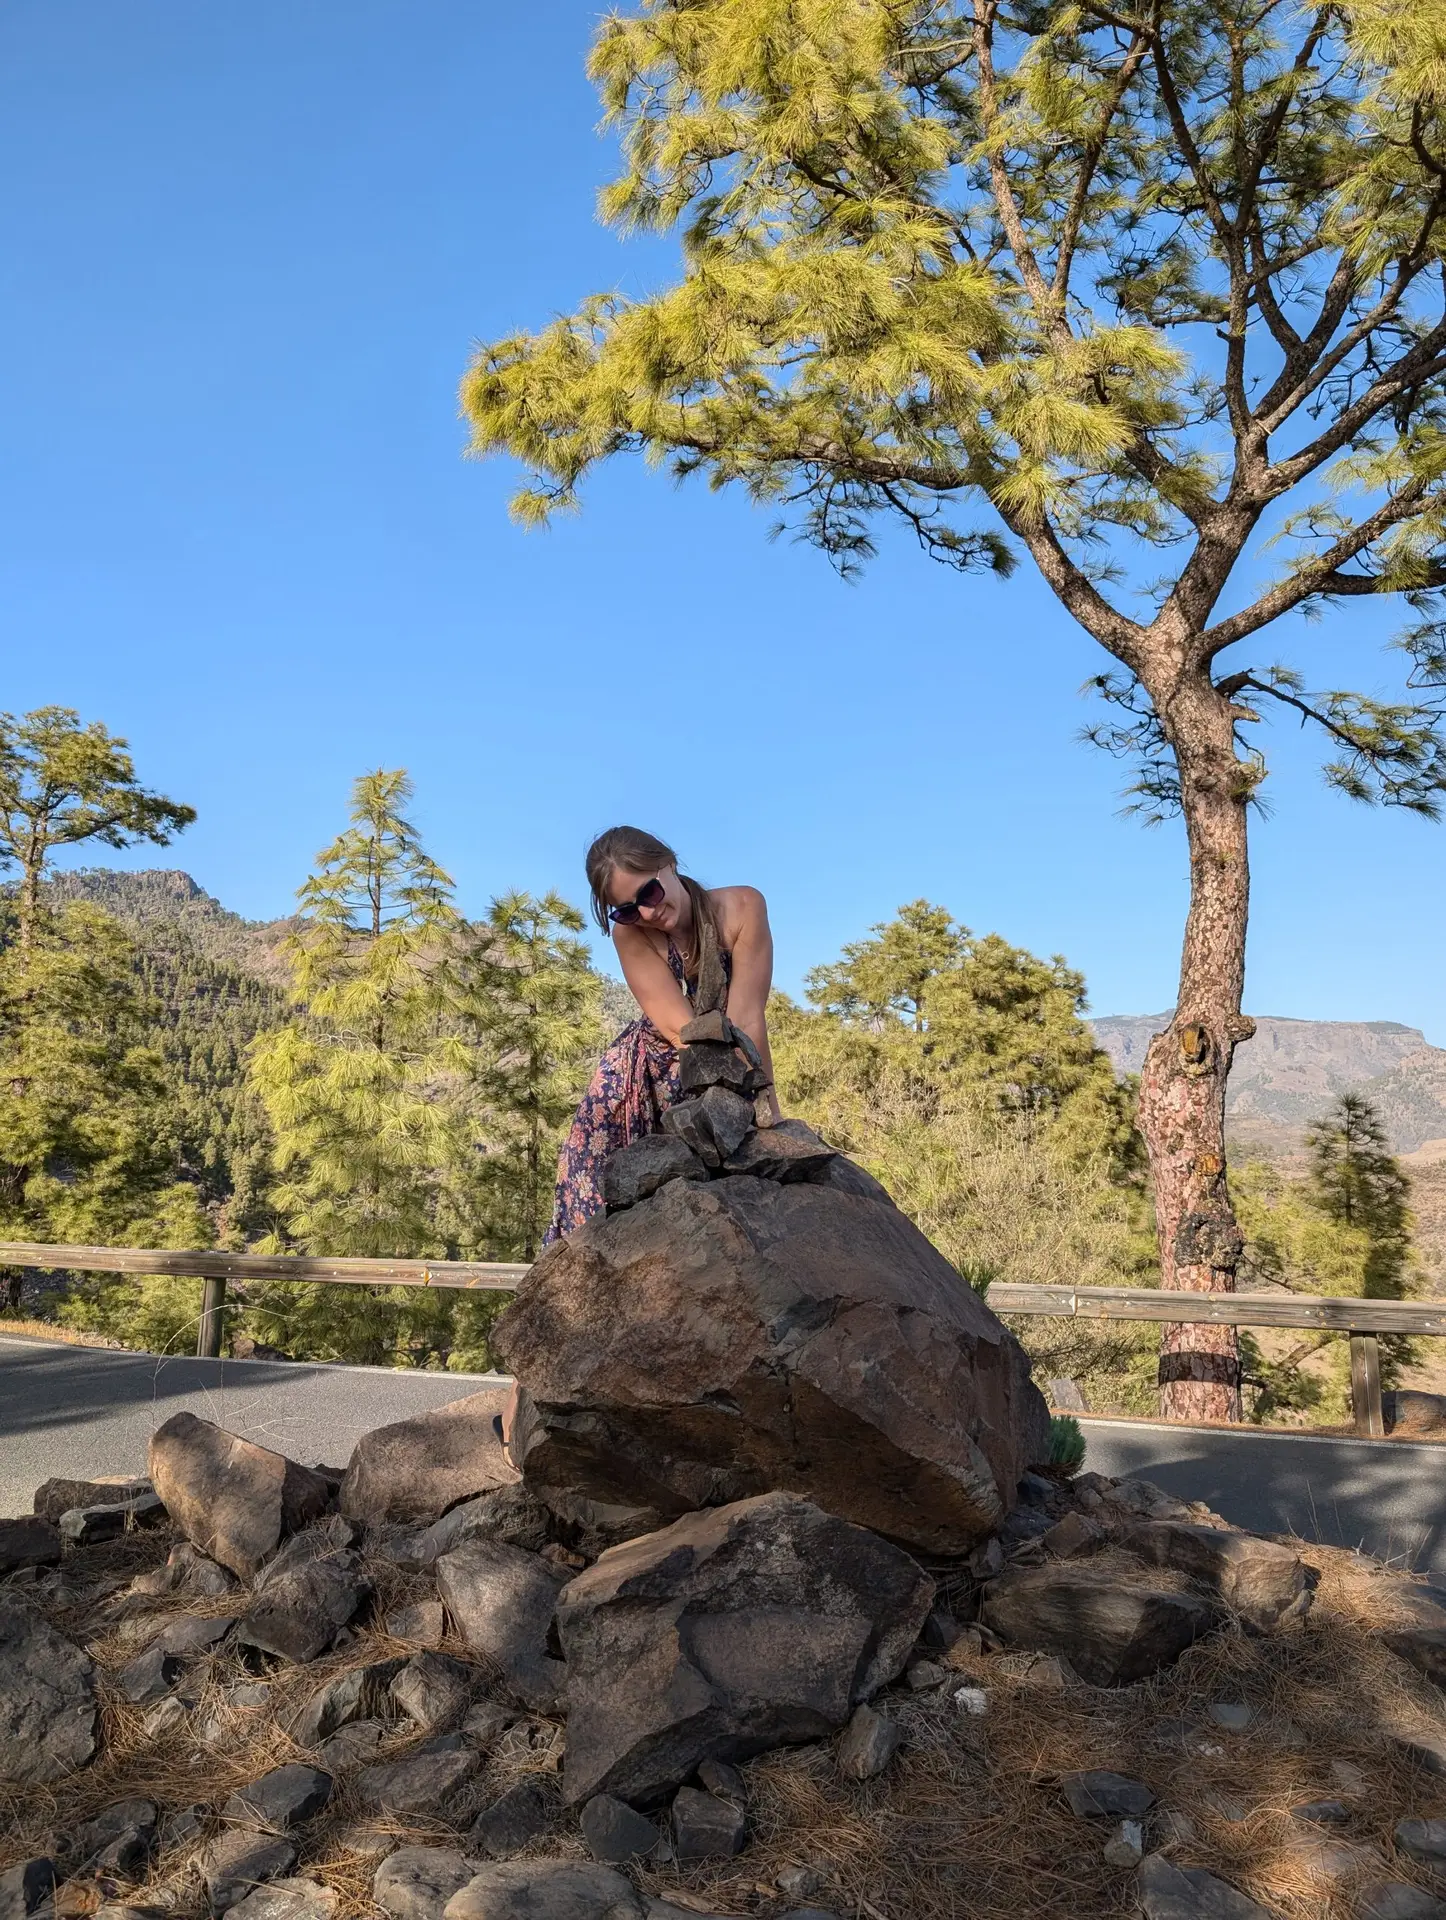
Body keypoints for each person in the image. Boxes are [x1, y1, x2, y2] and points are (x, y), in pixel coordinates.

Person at [544, 824, 782, 1244]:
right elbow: (684, 1033)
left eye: (649, 893)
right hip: (641, 1079)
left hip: (724, 1064)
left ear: (669, 863)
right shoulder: (631, 935)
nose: (648, 914)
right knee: (596, 1219)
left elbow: (746, 1020)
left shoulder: (743, 908)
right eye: (627, 909)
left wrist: (769, 1114)